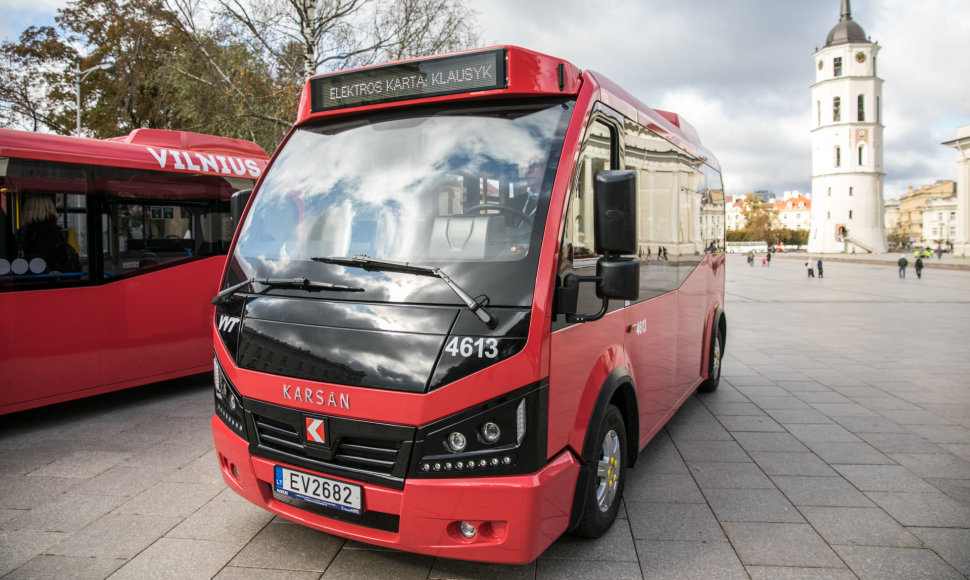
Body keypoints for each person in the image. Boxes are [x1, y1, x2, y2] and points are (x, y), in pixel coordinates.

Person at [17, 194, 79, 273]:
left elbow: (41, 261)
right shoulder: (54, 230)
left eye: (27, 209)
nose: (23, 212)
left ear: (36, 210)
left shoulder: (40, 233)